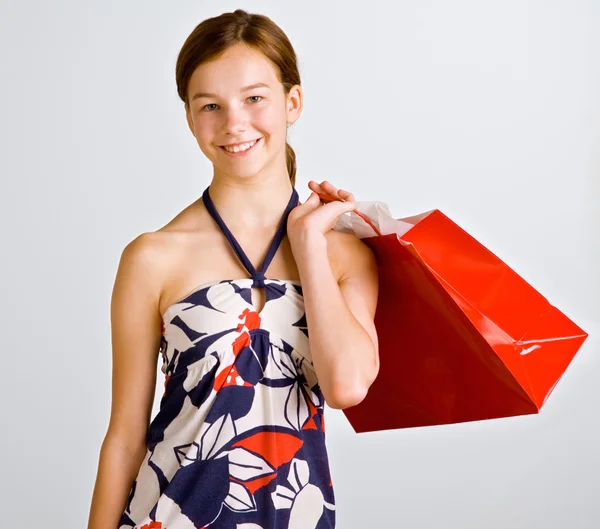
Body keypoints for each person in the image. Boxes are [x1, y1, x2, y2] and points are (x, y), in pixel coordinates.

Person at [87, 9, 379, 529]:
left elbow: (347, 387)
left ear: (293, 101)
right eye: (210, 106)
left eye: (254, 98)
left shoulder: (342, 255)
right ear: (190, 118)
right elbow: (126, 437)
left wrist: (309, 245)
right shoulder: (153, 257)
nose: (233, 123)